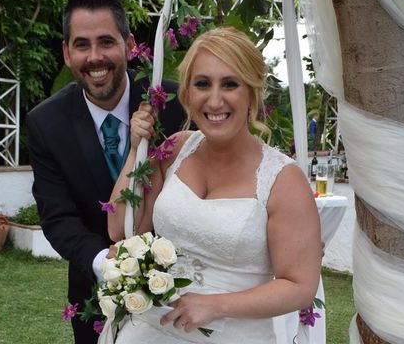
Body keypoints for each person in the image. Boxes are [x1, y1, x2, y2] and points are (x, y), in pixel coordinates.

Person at [107, 27, 322, 343]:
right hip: (150, 330)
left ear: (251, 92)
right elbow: (119, 227)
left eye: (230, 84)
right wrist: (136, 150)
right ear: (188, 94)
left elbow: (300, 286)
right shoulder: (176, 149)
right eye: (203, 84)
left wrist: (215, 305)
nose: (215, 99)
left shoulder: (282, 180)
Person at [27, 0, 185, 344]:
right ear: (67, 53)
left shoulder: (176, 103)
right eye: (82, 45)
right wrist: (108, 264)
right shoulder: (45, 124)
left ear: (129, 45)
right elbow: (57, 217)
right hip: (97, 298)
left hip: (185, 293)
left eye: (106, 42)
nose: (95, 57)